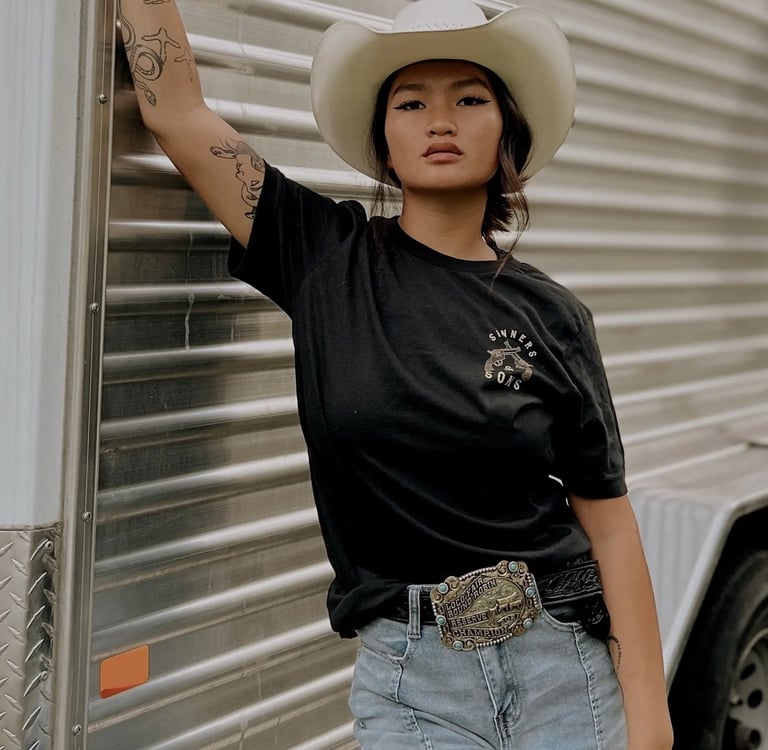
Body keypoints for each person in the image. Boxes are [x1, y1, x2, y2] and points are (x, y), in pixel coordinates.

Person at [118, 0, 674, 747]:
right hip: (414, 685)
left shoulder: (553, 315)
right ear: (384, 140)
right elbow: (178, 116)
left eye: (469, 100)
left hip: (562, 668)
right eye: (411, 104)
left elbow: (608, 522)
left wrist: (651, 718)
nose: (440, 121)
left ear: (506, 133)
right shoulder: (324, 257)